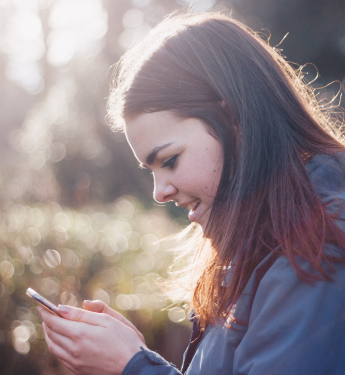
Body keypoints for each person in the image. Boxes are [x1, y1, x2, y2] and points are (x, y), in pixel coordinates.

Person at [38, 12, 345, 375]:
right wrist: (137, 358)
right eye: (151, 171)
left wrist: (132, 367)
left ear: (235, 121)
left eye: (169, 160)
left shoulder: (319, 244)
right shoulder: (263, 243)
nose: (159, 193)